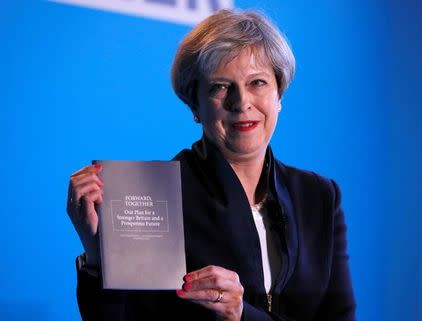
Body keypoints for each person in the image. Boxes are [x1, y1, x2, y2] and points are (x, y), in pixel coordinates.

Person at [67, 8, 356, 321]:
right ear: (195, 104)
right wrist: (101, 259)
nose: (241, 102)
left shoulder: (318, 195)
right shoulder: (155, 194)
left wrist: (242, 315)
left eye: (257, 82)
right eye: (220, 86)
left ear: (279, 94)